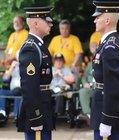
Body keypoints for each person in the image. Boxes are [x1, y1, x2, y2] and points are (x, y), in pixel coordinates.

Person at [90, 1, 119, 140]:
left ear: (107, 20)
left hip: (106, 110)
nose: (95, 20)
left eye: (97, 17)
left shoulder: (110, 47)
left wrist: (107, 119)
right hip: (103, 105)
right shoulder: (108, 43)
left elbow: (112, 86)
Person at [17, 6, 55, 140]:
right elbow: (29, 86)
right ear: (36, 23)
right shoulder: (31, 48)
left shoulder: (39, 45)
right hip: (37, 109)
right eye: (47, 21)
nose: (51, 23)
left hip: (43, 104)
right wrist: (35, 116)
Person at [0, 53, 21, 122]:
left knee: (18, 93)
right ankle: (3, 112)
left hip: (22, 89)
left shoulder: (24, 66)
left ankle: (16, 115)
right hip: (14, 91)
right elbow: (5, 79)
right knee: (2, 91)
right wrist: (11, 67)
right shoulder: (12, 67)